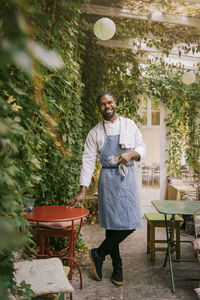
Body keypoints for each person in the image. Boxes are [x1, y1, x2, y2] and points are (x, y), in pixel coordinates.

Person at [69, 91, 146, 286]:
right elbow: (87, 160)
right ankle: (118, 267)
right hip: (108, 180)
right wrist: (82, 189)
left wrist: (132, 154)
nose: (107, 106)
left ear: (115, 103)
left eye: (110, 102)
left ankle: (99, 253)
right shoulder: (95, 132)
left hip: (126, 178)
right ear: (99, 108)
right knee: (112, 225)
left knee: (130, 223)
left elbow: (142, 147)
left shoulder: (129, 124)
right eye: (103, 104)